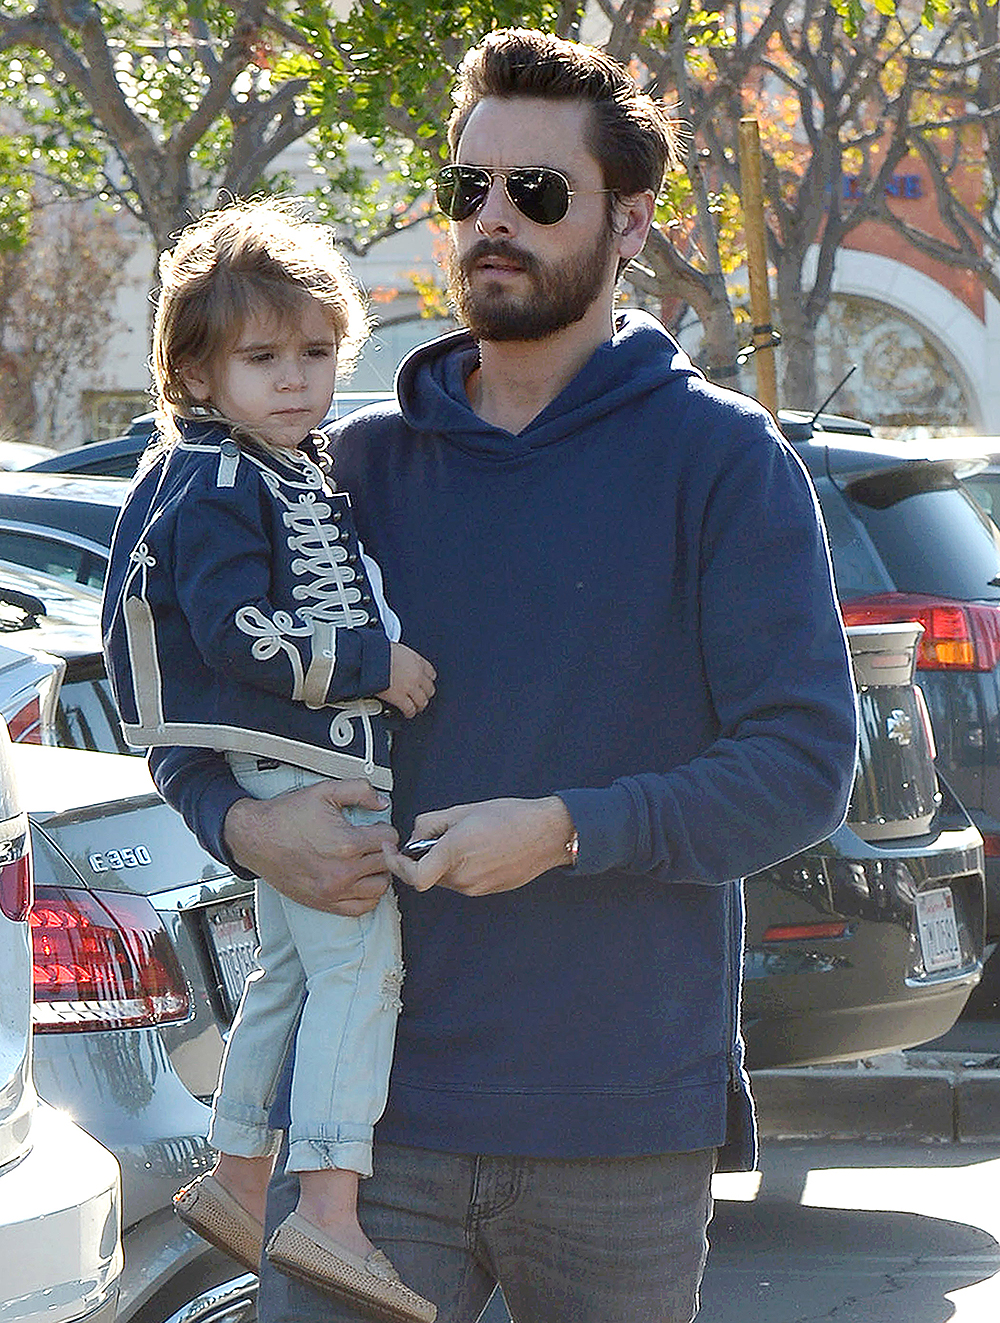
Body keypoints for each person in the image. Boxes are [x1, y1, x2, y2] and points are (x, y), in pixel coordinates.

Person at [147, 28, 859, 1323]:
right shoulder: (340, 468)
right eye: (466, 188)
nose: (492, 218)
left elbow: (804, 762)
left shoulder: (723, 461)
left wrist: (570, 828)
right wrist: (247, 822)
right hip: (357, 1136)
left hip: (618, 1127)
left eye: (536, 192)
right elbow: (184, 702)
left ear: (628, 219)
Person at [100, 197, 439, 1323]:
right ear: (194, 374)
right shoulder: (221, 479)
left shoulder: (271, 465)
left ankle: (243, 1179)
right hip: (298, 770)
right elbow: (235, 632)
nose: (295, 379)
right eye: (261, 358)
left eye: (315, 351)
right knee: (359, 973)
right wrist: (370, 663)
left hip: (285, 767)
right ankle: (328, 1209)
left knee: (287, 980)